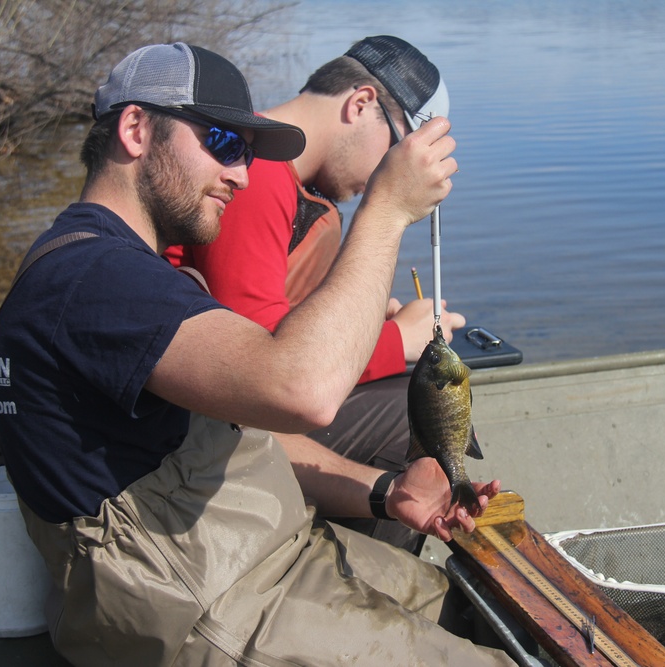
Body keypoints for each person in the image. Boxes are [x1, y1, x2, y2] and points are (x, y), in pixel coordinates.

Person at [0, 42, 513, 666]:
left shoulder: (130, 273)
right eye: (222, 143)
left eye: (245, 151)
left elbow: (246, 438)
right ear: (135, 129)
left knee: (489, 612)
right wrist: (388, 208)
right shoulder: (93, 277)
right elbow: (304, 391)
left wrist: (389, 492)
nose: (240, 173)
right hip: (199, 607)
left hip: (263, 556)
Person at [166, 36, 464, 555]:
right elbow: (259, 369)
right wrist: (397, 340)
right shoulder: (253, 175)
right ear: (361, 103)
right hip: (195, 428)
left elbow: (259, 317)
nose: (387, 175)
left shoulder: (275, 174)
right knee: (408, 417)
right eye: (395, 155)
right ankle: (361, 581)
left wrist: (368, 322)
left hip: (218, 402)